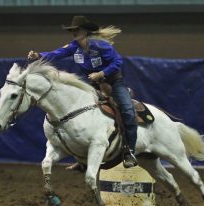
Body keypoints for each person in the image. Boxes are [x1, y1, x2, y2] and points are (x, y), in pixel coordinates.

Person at [28, 16, 137, 168]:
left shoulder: (100, 46)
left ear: (85, 31)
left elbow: (118, 61)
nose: (74, 32)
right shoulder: (74, 46)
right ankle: (82, 159)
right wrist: (39, 55)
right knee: (76, 110)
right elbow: (56, 53)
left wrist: (102, 74)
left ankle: (129, 152)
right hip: (92, 83)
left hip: (113, 82)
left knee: (127, 111)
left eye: (77, 29)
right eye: (72, 30)